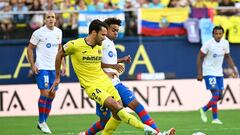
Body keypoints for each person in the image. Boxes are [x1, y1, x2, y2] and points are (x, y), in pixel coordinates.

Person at [50, 19, 157, 135]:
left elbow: (96, 66)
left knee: (115, 115)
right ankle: (147, 129)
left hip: (106, 82)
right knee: (118, 108)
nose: (104, 37)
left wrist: (108, 71)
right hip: (92, 86)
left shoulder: (99, 47)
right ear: (94, 33)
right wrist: (57, 77)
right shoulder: (75, 45)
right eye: (103, 34)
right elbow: (60, 54)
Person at [79, 17, 175, 135]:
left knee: (136, 106)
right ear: (106, 29)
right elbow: (93, 63)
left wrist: (121, 60)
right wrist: (108, 71)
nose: (116, 33)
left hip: (115, 83)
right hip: (104, 85)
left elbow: (107, 60)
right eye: (113, 30)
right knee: (106, 120)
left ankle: (158, 133)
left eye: (117, 30)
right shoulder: (101, 43)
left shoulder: (110, 43)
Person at [27, 11, 66, 134]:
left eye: (52, 17)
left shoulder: (58, 32)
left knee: (52, 95)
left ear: (56, 20)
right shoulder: (38, 33)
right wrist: (32, 65)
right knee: (44, 93)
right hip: (42, 67)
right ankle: (41, 121)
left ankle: (43, 121)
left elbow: (60, 50)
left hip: (54, 69)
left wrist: (64, 65)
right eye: (48, 17)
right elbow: (29, 49)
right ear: (44, 20)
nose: (50, 19)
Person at [197, 26, 239, 124]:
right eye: (216, 33)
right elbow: (199, 57)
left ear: (222, 34)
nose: (218, 35)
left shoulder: (225, 43)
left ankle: (211, 116)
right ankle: (209, 113)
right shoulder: (208, 44)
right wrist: (200, 73)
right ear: (213, 34)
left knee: (219, 96)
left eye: (220, 34)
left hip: (218, 73)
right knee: (215, 94)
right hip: (209, 72)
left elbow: (228, 57)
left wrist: (234, 69)